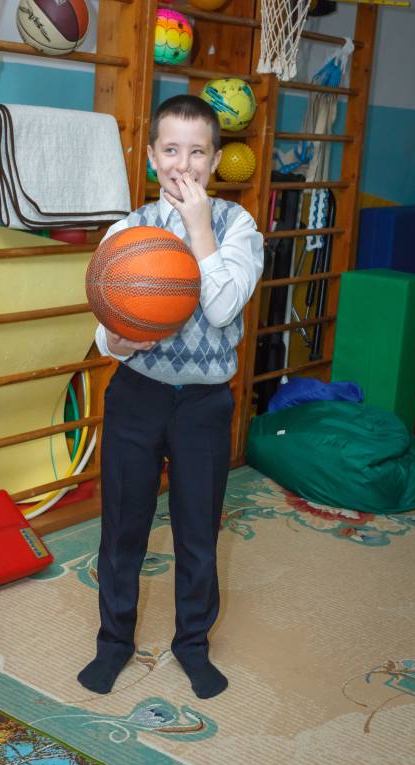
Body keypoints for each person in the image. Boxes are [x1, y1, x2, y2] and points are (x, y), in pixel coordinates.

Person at [78, 94, 264, 699]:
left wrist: (200, 228)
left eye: (198, 152)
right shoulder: (129, 230)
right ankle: (114, 642)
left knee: (197, 532)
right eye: (171, 150)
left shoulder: (239, 228)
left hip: (204, 407)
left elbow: (222, 307)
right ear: (152, 156)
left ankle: (192, 645)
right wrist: (120, 337)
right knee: (122, 527)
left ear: (217, 160)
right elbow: (104, 324)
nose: (184, 164)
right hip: (137, 396)